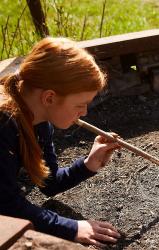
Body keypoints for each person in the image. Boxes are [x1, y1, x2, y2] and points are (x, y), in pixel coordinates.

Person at [0, 37, 121, 248]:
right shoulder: (3, 126)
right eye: (80, 105)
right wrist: (70, 227)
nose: (84, 112)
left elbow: (49, 183)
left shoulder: (39, 120)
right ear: (49, 98)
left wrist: (88, 164)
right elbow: (6, 205)